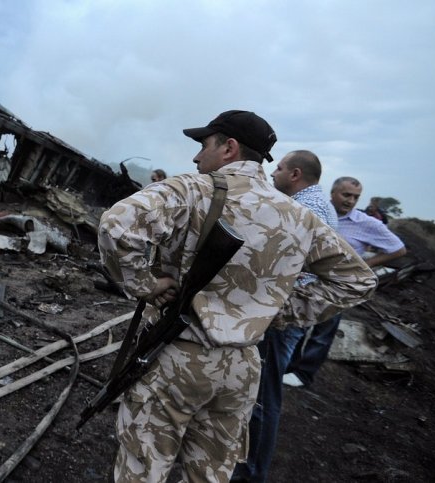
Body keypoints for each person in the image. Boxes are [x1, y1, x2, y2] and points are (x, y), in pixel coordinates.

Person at [99, 110, 377, 482]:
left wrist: (144, 286)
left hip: (179, 354)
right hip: (243, 369)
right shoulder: (301, 217)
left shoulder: (193, 189)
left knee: (144, 467)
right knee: (210, 473)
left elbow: (117, 226)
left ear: (229, 148)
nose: (197, 157)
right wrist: (275, 311)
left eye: (203, 146)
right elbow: (357, 280)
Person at [231, 150, 339, 483]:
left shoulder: (307, 209)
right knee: (262, 390)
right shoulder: (318, 204)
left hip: (282, 313)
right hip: (289, 309)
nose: (273, 173)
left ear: (295, 174)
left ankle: (250, 473)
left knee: (263, 396)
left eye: (278, 168)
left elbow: (279, 263)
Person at [284, 177, 406, 387]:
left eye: (356, 197)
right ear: (333, 193)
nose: (350, 201)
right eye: (346, 195)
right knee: (296, 324)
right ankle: (288, 368)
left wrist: (364, 265)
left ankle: (304, 374)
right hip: (306, 281)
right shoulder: (319, 211)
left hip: (336, 287)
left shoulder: (366, 223)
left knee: (323, 331)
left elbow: (398, 249)